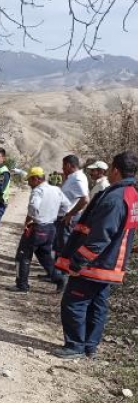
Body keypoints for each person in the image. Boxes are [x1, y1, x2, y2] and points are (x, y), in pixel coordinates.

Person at [53, 151, 138, 359]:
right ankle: (90, 346)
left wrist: (77, 262)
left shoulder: (116, 198)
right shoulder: (131, 194)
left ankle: (75, 346)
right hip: (110, 265)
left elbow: (101, 236)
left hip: (96, 264)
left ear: (115, 169)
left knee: (75, 303)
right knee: (97, 305)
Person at [8, 167, 70, 293]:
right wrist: (56, 214)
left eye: (30, 180)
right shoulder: (56, 189)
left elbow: (33, 207)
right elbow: (66, 205)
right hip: (51, 228)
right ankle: (59, 279)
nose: (29, 183)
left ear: (36, 179)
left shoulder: (37, 191)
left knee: (23, 256)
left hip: (38, 227)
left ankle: (22, 285)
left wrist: (33, 219)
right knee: (45, 257)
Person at [53, 154, 89, 254]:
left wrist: (70, 214)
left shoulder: (78, 178)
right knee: (58, 247)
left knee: (63, 249)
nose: (62, 168)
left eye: (63, 166)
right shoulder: (72, 177)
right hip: (62, 217)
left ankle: (61, 269)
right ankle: (57, 267)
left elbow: (85, 199)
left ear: (69, 165)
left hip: (67, 219)